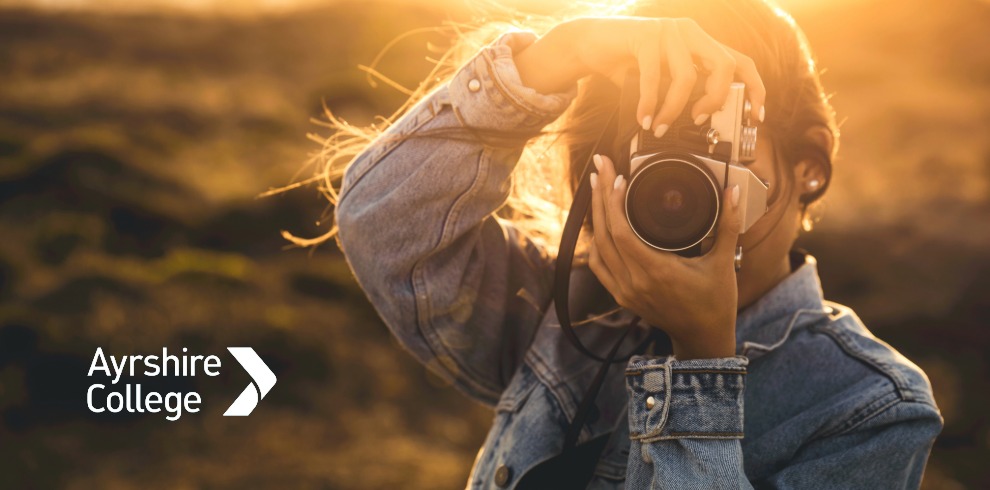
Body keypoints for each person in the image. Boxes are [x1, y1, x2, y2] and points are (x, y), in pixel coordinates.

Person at [324, 0, 943, 487]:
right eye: (655, 159)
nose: (677, 188)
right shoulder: (568, 310)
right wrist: (555, 58)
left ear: (810, 162)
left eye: (716, 151)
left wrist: (702, 359)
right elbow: (384, 225)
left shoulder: (868, 408)